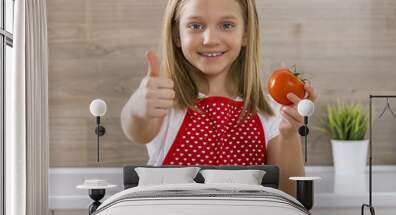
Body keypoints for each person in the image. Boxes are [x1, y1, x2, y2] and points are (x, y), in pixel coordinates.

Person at [121, 0, 318, 197]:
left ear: (246, 33)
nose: (210, 39)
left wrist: (290, 135)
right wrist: (137, 106)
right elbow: (136, 129)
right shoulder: (163, 104)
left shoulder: (272, 112)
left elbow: (290, 195)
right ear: (176, 35)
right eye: (196, 26)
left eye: (226, 25)